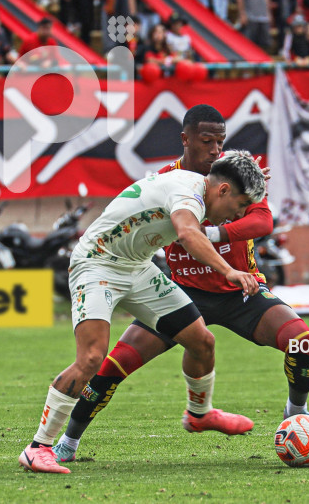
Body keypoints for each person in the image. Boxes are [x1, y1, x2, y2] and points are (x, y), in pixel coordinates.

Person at [50, 105, 309, 465]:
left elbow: (263, 221)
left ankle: (297, 415)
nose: (216, 150)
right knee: (111, 366)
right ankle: (67, 444)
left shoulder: (234, 177)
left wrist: (212, 231)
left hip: (239, 293)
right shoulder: (168, 181)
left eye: (221, 141)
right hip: (182, 293)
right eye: (207, 141)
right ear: (186, 140)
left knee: (302, 343)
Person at [19, 145, 266, 474]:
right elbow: (189, 233)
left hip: (136, 268)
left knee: (201, 341)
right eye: (239, 205)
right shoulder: (188, 194)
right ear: (222, 189)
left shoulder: (201, 189)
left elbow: (245, 212)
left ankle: (199, 413)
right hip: (97, 265)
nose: (238, 215)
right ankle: (38, 447)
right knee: (92, 358)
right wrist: (229, 271)